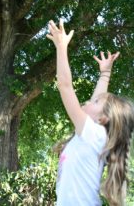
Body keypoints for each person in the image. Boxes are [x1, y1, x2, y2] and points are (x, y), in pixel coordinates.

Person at [47, 19, 134, 206]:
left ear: (103, 119)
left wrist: (61, 47)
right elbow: (99, 99)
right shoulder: (92, 135)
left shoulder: (94, 135)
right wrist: (105, 73)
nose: (90, 99)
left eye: (95, 101)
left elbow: (65, 86)